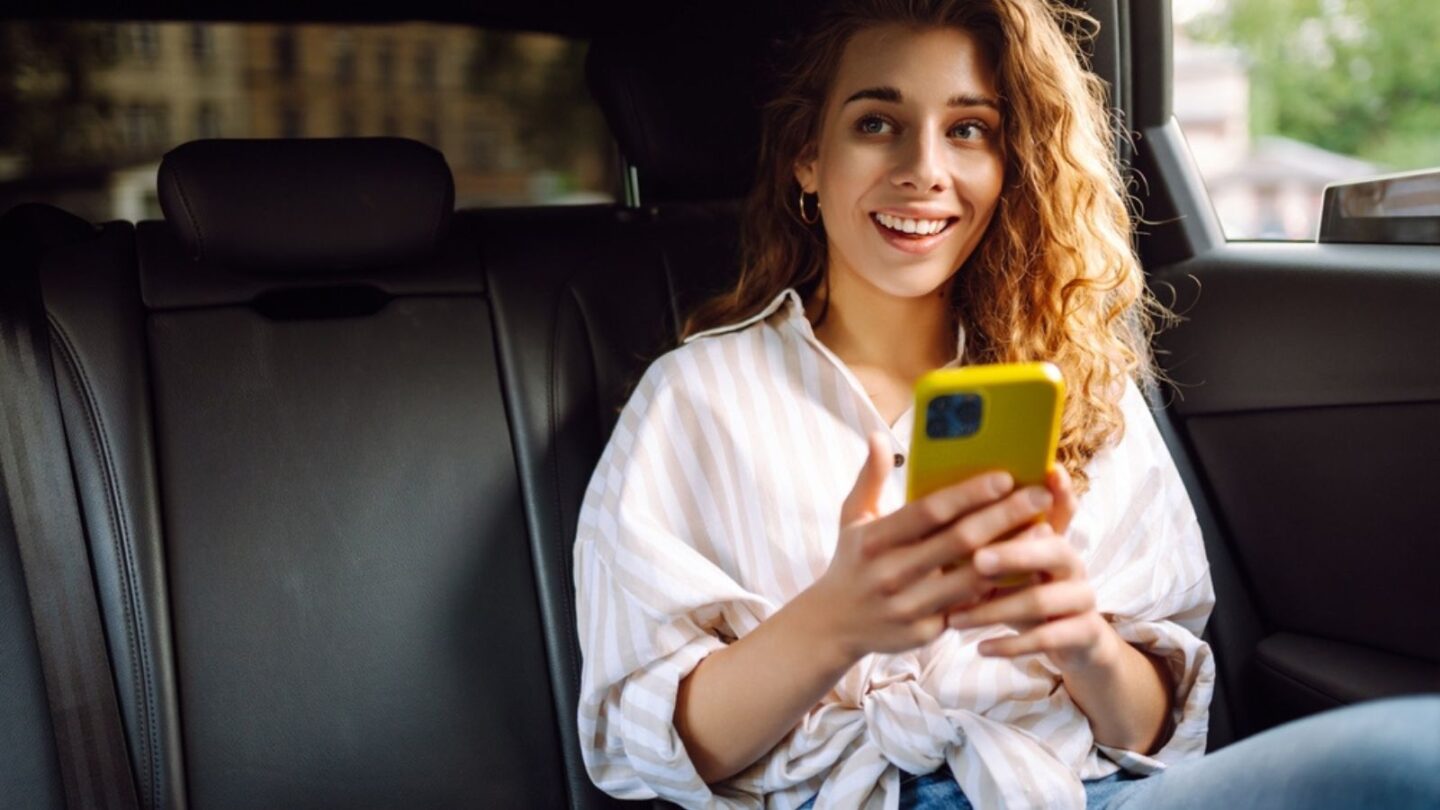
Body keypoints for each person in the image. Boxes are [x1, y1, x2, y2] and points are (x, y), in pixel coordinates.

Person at [571, 1, 1440, 808]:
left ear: (1008, 164)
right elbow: (644, 742)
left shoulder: (1077, 385)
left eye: (969, 130)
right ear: (808, 156)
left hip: (1072, 787)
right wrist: (833, 623)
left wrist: (1080, 641)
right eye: (877, 123)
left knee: (1408, 760)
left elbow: (1152, 728)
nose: (924, 170)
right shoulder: (696, 397)